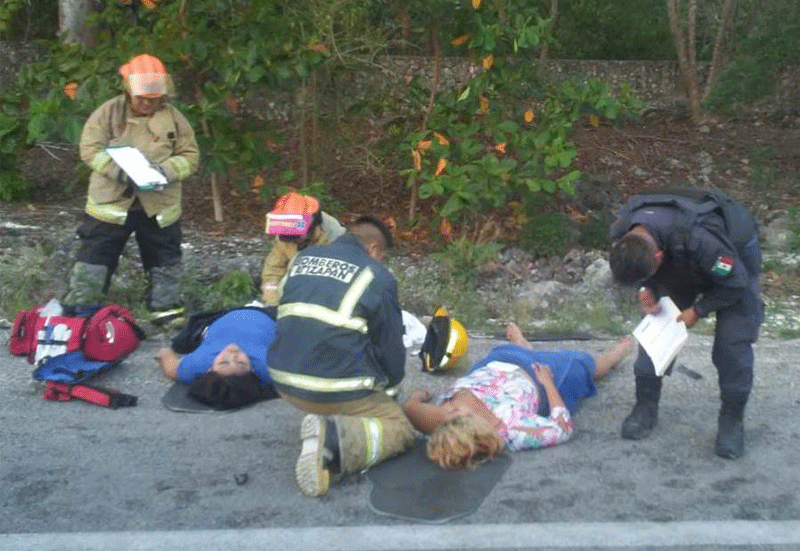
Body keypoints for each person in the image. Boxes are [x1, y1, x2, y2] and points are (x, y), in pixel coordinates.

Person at [609, 187, 763, 459]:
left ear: (657, 258)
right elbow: (642, 274)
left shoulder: (702, 239)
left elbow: (735, 283)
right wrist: (646, 289)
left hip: (731, 262)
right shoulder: (624, 233)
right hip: (678, 258)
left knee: (732, 342)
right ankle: (645, 406)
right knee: (655, 326)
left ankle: (732, 421)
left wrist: (699, 309)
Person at [266, 216, 414, 497]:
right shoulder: (377, 276)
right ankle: (332, 442)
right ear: (372, 250)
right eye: (382, 256)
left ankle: (326, 416)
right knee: (401, 428)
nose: (381, 262)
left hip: (284, 381)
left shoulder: (303, 258)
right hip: (330, 389)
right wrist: (390, 395)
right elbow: (390, 348)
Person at [64, 54, 200, 327]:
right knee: (96, 254)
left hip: (159, 205)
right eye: (142, 98)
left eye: (154, 98)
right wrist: (119, 171)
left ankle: (166, 310)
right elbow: (90, 149)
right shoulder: (109, 112)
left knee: (165, 257)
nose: (148, 103)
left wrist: (165, 171)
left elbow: (190, 156)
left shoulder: (174, 118)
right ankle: (83, 307)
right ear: (128, 90)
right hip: (112, 203)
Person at [403, 323, 634, 470]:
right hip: (535, 376)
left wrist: (417, 396)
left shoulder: (442, 421)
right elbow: (562, 428)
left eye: (447, 413)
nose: (449, 408)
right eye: (455, 412)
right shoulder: (512, 431)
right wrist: (548, 383)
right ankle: (619, 352)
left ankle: (522, 346)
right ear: (476, 426)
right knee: (586, 366)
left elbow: (411, 409)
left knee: (510, 351)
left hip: (495, 361)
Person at [155, 307, 277, 409]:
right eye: (241, 362)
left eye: (223, 362)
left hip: (222, 316)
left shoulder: (199, 363)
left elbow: (171, 368)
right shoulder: (267, 368)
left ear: (209, 368)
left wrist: (164, 352)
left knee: (181, 344)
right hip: (267, 315)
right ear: (253, 370)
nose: (233, 353)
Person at [260, 192, 345, 306]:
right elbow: (272, 272)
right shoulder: (284, 232)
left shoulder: (333, 235)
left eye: (296, 235)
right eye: (287, 236)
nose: (292, 240)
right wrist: (272, 302)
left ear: (311, 225)